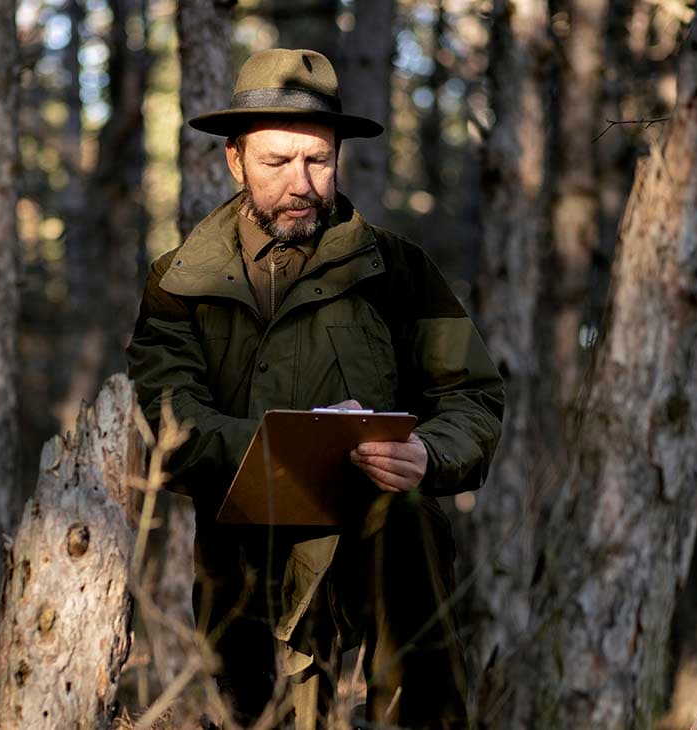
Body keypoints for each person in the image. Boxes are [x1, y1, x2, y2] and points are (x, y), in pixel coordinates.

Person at [126, 48, 504, 729]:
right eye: (277, 162)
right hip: (243, 554)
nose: (301, 183)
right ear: (236, 161)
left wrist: (431, 454)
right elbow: (167, 421)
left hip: (380, 544)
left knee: (409, 522)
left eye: (318, 161)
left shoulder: (397, 270)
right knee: (255, 717)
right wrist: (291, 450)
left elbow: (472, 395)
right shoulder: (180, 282)